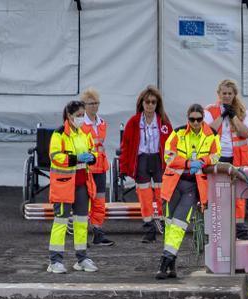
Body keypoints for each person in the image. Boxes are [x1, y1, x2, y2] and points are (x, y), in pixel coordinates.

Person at [156, 103, 220, 280]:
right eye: (192, 119)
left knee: (179, 224)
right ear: (188, 119)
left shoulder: (212, 135)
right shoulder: (177, 133)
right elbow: (168, 156)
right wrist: (187, 163)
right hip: (174, 185)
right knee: (170, 225)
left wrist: (203, 160)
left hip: (192, 186)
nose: (196, 123)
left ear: (203, 119)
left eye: (199, 119)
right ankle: (171, 266)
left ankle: (165, 261)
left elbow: (216, 155)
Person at [47, 100, 99, 274]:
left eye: (83, 115)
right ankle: (55, 261)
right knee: (61, 222)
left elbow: (94, 150)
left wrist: (92, 157)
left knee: (81, 222)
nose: (82, 118)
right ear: (69, 116)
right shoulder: (59, 134)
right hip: (64, 185)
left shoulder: (85, 132)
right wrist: (77, 159)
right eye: (78, 115)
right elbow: (55, 157)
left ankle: (82, 258)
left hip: (82, 184)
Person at [120, 85, 173, 243]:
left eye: (153, 102)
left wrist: (171, 164)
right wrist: (123, 167)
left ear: (158, 104)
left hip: (158, 159)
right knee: (144, 195)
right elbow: (126, 146)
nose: (150, 105)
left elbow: (171, 144)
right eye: (147, 101)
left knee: (161, 194)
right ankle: (149, 228)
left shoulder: (163, 122)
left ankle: (163, 224)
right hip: (141, 160)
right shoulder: (134, 122)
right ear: (141, 103)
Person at [204, 79, 248, 238]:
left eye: (229, 93)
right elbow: (207, 132)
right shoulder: (209, 110)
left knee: (238, 191)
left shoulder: (242, 110)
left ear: (234, 95)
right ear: (218, 94)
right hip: (218, 156)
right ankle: (219, 226)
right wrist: (222, 115)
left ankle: (239, 227)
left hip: (237, 156)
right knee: (217, 192)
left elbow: (245, 133)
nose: (226, 96)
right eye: (224, 93)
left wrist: (233, 116)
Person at [76, 88, 114, 247]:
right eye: (91, 103)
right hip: (87, 168)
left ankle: (98, 232)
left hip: (100, 167)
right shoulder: (80, 124)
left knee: (99, 201)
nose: (94, 106)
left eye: (96, 103)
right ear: (84, 105)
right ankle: (82, 236)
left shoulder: (102, 123)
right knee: (85, 202)